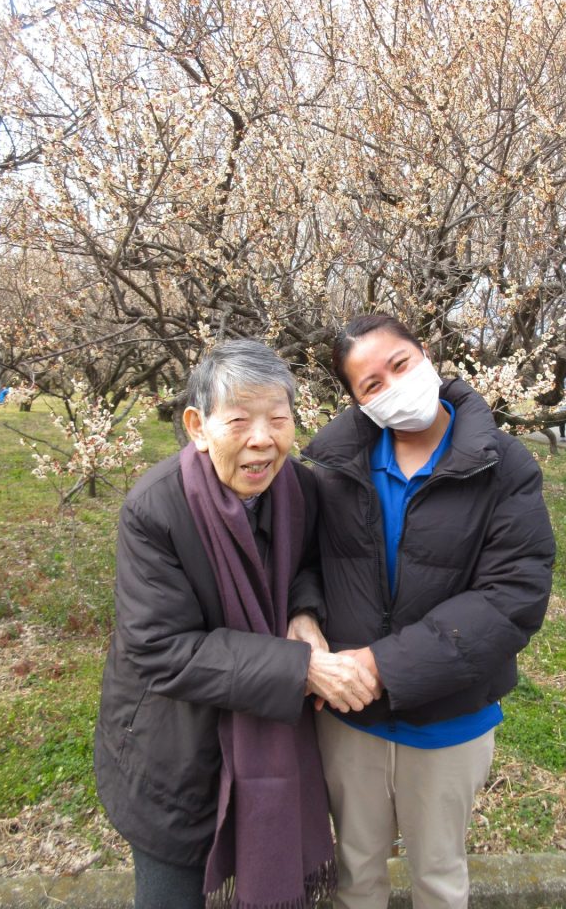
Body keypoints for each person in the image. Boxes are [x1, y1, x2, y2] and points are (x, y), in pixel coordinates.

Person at [94, 340, 380, 909]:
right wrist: (302, 670)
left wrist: (303, 610)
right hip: (175, 746)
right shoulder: (157, 509)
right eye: (239, 421)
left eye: (278, 419)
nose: (262, 439)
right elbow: (162, 648)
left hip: (271, 733)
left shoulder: (299, 489)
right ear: (197, 427)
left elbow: (309, 564)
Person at [302, 315, 555, 909]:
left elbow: (512, 595)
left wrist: (381, 665)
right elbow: (304, 562)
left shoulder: (502, 464)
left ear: (427, 354)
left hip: (448, 718)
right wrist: (303, 617)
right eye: (371, 384)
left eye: (401, 364)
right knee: (355, 874)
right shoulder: (336, 467)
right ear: (359, 402)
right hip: (350, 718)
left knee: (439, 876)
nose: (392, 386)